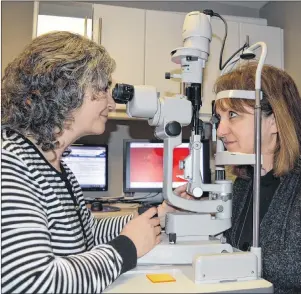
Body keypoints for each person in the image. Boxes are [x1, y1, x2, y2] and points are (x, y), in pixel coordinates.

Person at [1, 31, 172, 294]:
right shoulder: (10, 163)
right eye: (102, 89)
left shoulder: (56, 166)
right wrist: (127, 247)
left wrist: (157, 214)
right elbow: (30, 282)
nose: (112, 102)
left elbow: (88, 232)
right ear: (64, 90)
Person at [169, 62, 301, 293]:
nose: (220, 131)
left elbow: (291, 267)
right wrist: (205, 214)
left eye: (233, 115)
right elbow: (229, 246)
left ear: (274, 122)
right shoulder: (244, 184)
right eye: (220, 118)